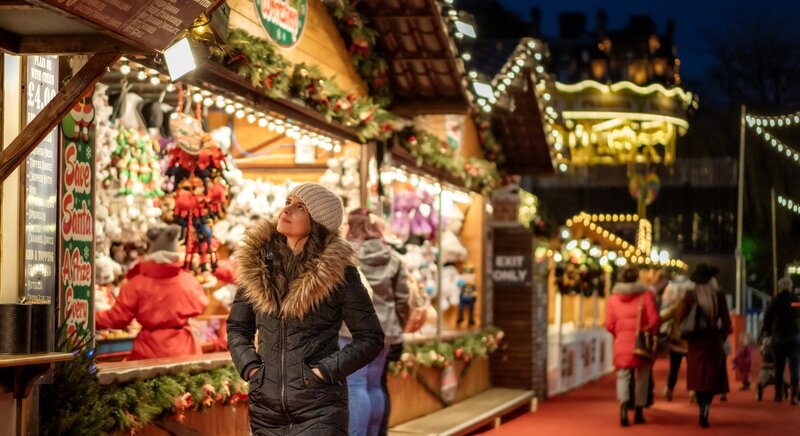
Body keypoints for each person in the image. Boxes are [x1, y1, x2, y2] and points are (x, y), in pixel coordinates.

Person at [227, 183, 385, 435]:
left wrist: (323, 372)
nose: (286, 209)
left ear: (318, 222)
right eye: (288, 201)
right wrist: (252, 369)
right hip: (266, 410)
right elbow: (237, 327)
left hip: (320, 408)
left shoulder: (338, 273)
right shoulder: (258, 266)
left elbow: (370, 338)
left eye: (299, 206)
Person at [342, 209, 410, 436]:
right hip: (386, 329)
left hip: (353, 330)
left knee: (356, 385)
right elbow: (402, 299)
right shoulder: (392, 257)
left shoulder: (346, 254)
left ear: (351, 226)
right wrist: (399, 327)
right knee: (374, 385)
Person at [96, 224, 208, 360]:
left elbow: (117, 319)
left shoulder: (137, 284)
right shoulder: (188, 281)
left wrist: (89, 318)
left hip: (150, 352)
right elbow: (202, 305)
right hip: (186, 351)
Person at [604, 265, 659, 427]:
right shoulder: (646, 295)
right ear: (636, 278)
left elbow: (608, 324)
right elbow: (655, 319)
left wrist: (619, 334)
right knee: (643, 376)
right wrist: (646, 331)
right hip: (640, 343)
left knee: (623, 376)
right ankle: (639, 411)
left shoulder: (613, 299)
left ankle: (623, 408)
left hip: (622, 343)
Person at [680, 264, 731, 428]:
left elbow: (682, 319)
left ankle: (701, 406)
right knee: (710, 377)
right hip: (713, 341)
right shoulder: (719, 295)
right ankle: (706, 407)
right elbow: (726, 322)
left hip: (695, 342)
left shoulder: (690, 295)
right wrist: (720, 337)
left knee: (697, 377)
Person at [763, 277, 799, 404]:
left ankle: (778, 394)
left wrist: (769, 332)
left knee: (779, 368)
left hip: (778, 337)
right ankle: (794, 395)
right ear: (790, 287)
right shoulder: (795, 301)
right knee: (795, 367)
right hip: (793, 337)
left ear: (779, 288)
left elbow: (766, 317)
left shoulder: (775, 301)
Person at [659, 273, 694, 401]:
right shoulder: (694, 306)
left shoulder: (677, 306)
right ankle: (693, 392)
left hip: (676, 341)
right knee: (692, 369)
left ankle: (669, 390)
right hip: (691, 341)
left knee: (674, 369)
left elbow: (663, 317)